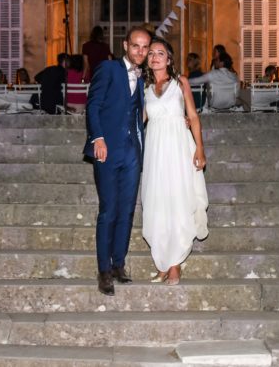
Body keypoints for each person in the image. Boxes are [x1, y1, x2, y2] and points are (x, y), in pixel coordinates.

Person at [84, 28, 149, 296]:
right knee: (108, 210)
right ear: (125, 45)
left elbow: (140, 113)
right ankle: (104, 271)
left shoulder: (143, 78)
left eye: (145, 48)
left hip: (132, 151)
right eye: (136, 46)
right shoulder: (109, 69)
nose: (141, 52)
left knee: (127, 210)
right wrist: (97, 139)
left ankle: (119, 264)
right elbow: (93, 105)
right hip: (107, 150)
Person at [140, 36, 208, 286]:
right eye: (151, 53)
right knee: (155, 203)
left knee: (177, 202)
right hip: (155, 150)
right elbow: (140, 122)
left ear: (169, 59)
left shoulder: (181, 83)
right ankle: (162, 262)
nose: (155, 56)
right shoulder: (145, 88)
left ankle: (175, 265)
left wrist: (199, 148)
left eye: (160, 53)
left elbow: (193, 116)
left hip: (178, 147)